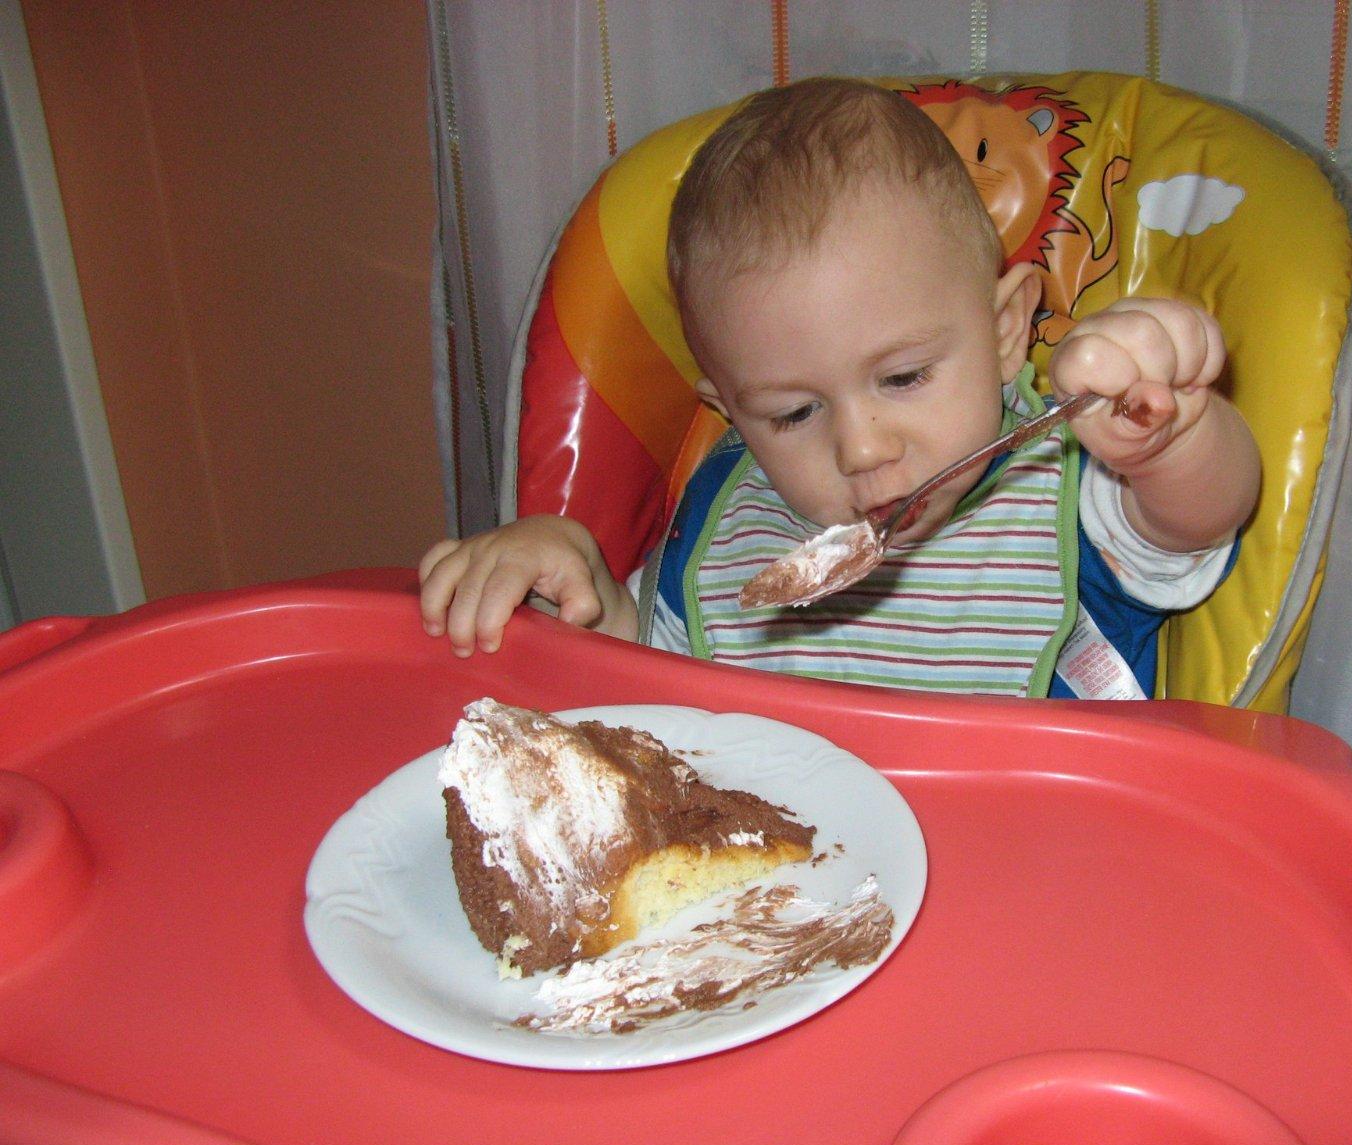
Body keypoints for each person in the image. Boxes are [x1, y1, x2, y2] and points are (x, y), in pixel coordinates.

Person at [419, 77, 1260, 699]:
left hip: (1034, 867)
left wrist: (1166, 439)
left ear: (1007, 331)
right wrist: (580, 591)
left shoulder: (1068, 483)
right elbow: (649, 684)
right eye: (793, 413)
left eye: (904, 377)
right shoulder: (726, 530)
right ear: (730, 413)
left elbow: (1197, 518)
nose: (861, 448)